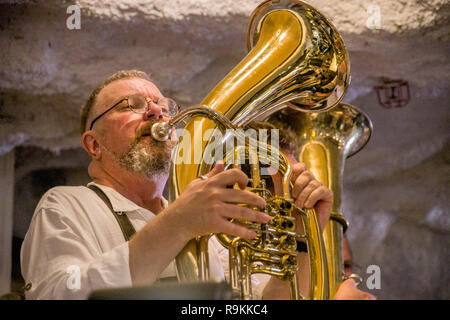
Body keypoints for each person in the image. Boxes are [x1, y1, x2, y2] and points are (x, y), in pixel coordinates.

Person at [20, 69, 372, 300]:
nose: (157, 112)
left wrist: (299, 238)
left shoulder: (210, 220)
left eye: (163, 106)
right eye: (132, 105)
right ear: (93, 144)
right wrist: (177, 223)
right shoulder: (67, 204)